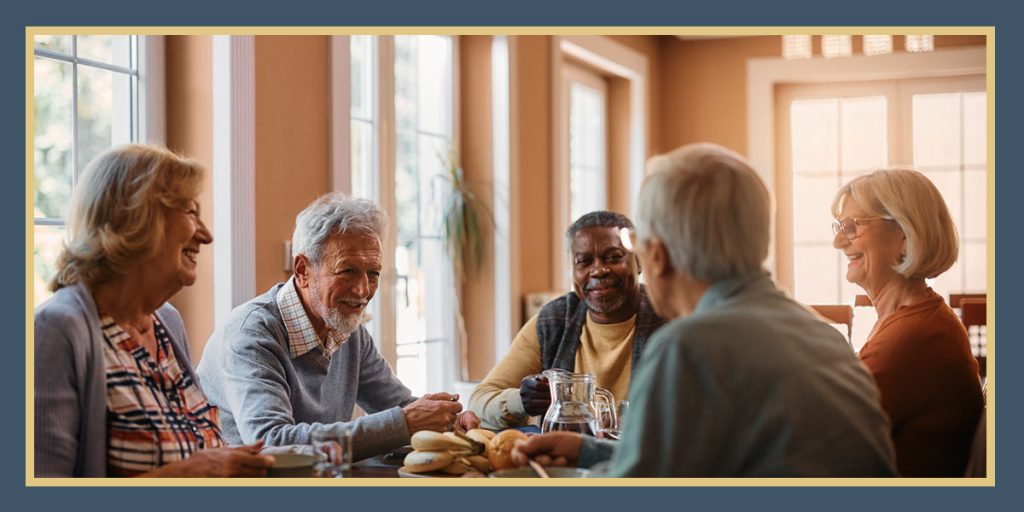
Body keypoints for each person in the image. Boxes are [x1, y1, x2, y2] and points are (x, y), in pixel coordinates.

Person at [513, 143, 897, 477]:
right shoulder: (824, 335)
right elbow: (701, 465)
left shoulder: (688, 348)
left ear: (658, 256)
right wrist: (586, 450)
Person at [34, 144, 274, 477]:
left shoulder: (167, 322)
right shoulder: (56, 330)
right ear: (137, 218)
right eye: (191, 212)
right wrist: (185, 475)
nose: (206, 235)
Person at [196, 193, 478, 461]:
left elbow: (398, 406)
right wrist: (404, 422)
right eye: (348, 271)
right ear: (303, 271)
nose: (363, 290)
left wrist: (446, 419)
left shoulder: (346, 328)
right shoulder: (251, 336)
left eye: (373, 273)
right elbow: (272, 443)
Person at [830, 168, 983, 477]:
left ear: (903, 234)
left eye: (852, 226)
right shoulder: (916, 320)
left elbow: (822, 441)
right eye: (839, 226)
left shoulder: (914, 337)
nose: (837, 242)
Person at [469, 211, 666, 430]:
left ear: (638, 261)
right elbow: (479, 402)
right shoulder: (554, 321)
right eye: (584, 261)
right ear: (573, 272)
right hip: (563, 461)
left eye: (613, 257)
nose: (599, 270)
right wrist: (521, 401)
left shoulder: (670, 317)